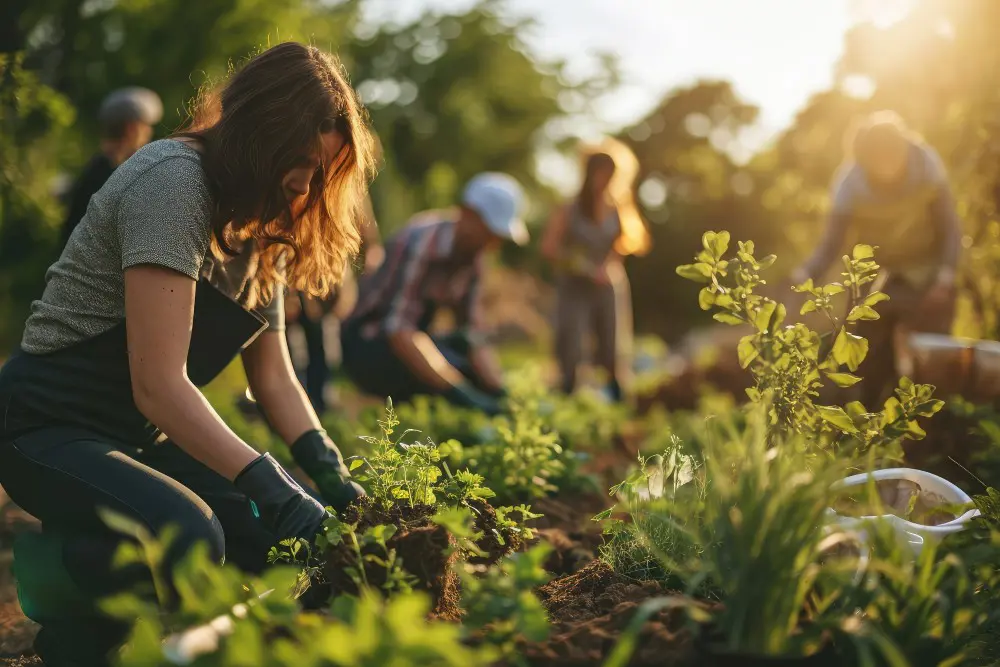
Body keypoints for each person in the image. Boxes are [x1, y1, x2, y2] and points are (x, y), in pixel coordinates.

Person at [0, 42, 375, 666]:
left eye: (322, 170)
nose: (306, 184)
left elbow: (275, 374)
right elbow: (159, 386)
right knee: (189, 534)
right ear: (263, 133)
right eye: (303, 161)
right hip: (45, 427)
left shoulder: (259, 225)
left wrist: (328, 472)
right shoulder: (172, 182)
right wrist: (276, 485)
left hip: (133, 436)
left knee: (269, 539)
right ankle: (67, 610)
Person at [789, 110, 962, 406]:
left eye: (893, 155)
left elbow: (949, 226)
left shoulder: (926, 165)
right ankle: (870, 425)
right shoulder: (850, 183)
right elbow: (832, 242)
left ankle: (935, 425)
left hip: (928, 271)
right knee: (870, 358)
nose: (887, 163)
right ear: (865, 157)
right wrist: (805, 273)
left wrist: (946, 276)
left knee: (931, 356)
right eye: (878, 157)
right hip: (878, 277)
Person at [340, 173, 527, 415]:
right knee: (450, 380)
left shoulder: (474, 257)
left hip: (414, 336)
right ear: (467, 213)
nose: (493, 244)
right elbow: (399, 330)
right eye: (490, 232)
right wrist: (459, 391)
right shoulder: (420, 243)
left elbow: (473, 331)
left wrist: (497, 389)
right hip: (370, 342)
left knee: (466, 354)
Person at [541, 138, 651, 403]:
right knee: (571, 344)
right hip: (574, 285)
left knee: (613, 345)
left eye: (609, 175)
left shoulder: (618, 209)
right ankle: (567, 395)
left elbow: (626, 245)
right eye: (599, 174)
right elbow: (549, 248)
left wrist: (607, 266)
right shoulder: (570, 209)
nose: (604, 180)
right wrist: (583, 266)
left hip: (607, 284)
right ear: (589, 174)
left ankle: (618, 399)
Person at [284, 198, 384, 414]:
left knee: (320, 341)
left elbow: (366, 229)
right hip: (297, 269)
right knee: (294, 341)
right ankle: (294, 404)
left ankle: (316, 403)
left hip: (325, 272)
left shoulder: (352, 187)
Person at [60, 87, 164, 248]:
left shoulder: (94, 169)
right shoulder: (123, 172)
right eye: (146, 127)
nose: (149, 133)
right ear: (132, 129)